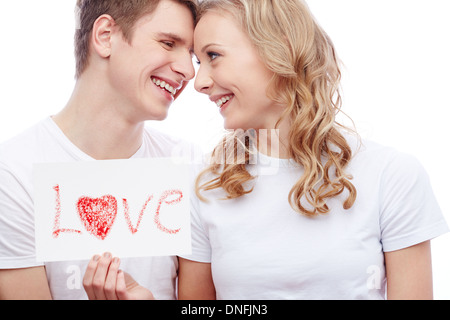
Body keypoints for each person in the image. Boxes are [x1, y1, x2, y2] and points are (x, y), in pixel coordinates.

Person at [83, 0, 449, 300]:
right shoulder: (204, 185)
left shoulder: (391, 175)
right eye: (199, 62)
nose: (199, 82)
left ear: (279, 51)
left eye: (213, 56)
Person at [0, 0, 198, 300]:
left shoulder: (189, 167)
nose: (188, 71)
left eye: (192, 56)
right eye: (168, 43)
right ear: (105, 36)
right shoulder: (13, 174)